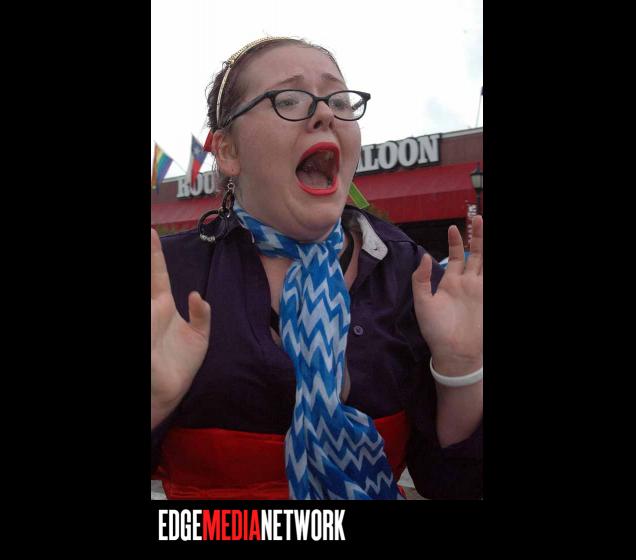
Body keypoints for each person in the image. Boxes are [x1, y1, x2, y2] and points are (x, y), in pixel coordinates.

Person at [151, 36, 483, 500]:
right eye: (288, 99)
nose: (325, 113)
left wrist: (462, 371)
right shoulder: (169, 281)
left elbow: (451, 483)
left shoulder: (410, 273)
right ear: (228, 152)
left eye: (339, 100)